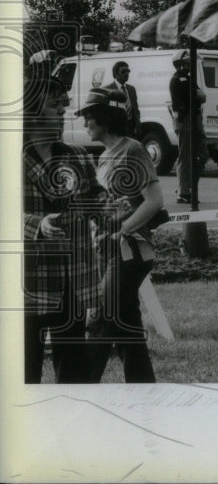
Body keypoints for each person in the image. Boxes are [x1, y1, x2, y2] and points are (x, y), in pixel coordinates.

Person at [77, 88, 163, 382]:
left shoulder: (133, 150)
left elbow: (154, 201)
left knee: (100, 319)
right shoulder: (104, 157)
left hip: (130, 253)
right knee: (128, 330)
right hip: (109, 251)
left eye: (89, 116)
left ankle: (80, 394)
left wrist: (122, 230)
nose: (85, 122)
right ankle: (145, 393)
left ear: (105, 117)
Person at [22, 73, 102, 383]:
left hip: (72, 280)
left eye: (63, 105)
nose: (62, 110)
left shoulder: (77, 156)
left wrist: (112, 208)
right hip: (27, 281)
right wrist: (37, 224)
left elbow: (97, 200)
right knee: (24, 371)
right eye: (55, 104)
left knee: (74, 374)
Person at [169, 50, 208, 204]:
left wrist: (198, 95)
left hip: (196, 118)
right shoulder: (178, 79)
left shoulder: (189, 79)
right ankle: (183, 192)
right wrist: (198, 95)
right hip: (185, 119)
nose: (190, 64)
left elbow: (202, 96)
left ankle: (188, 186)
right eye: (187, 61)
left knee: (203, 154)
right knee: (184, 156)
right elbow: (197, 96)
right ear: (180, 63)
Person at [109, 60, 142, 139]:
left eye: (128, 71)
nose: (127, 74)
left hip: (131, 129)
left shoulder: (131, 89)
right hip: (116, 129)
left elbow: (135, 109)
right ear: (115, 74)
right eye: (123, 71)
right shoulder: (108, 90)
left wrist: (137, 124)